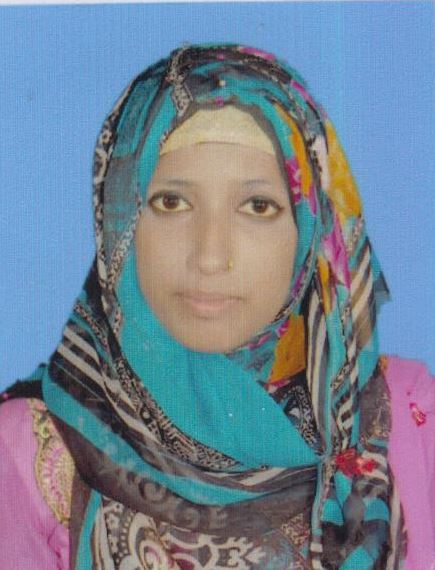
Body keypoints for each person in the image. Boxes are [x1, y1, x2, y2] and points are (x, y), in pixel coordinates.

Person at [0, 43, 434, 570]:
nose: (209, 256)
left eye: (257, 206)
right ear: (120, 222)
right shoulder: (27, 449)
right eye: (171, 202)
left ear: (312, 230)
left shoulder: (414, 419)